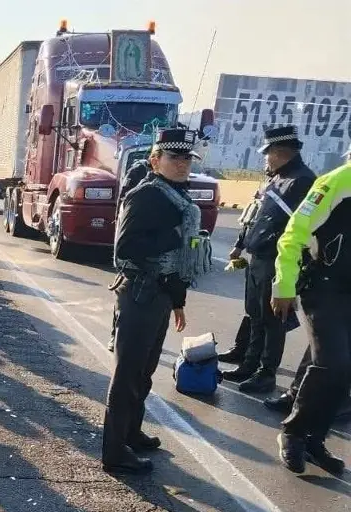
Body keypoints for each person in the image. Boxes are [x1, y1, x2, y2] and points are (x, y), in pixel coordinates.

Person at [103, 128, 208, 475]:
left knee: (144, 373)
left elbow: (179, 259)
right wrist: (174, 233)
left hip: (160, 296)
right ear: (155, 160)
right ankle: (115, 451)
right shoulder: (146, 195)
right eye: (173, 157)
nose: (181, 164)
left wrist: (178, 300)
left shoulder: (176, 195)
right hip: (139, 293)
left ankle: (131, 433)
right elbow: (124, 250)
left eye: (186, 159)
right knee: (127, 375)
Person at [270, 145, 351, 477]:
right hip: (323, 285)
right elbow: (293, 235)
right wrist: (283, 285)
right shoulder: (336, 182)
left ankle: (315, 440)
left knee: (344, 370)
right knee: (333, 361)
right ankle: (293, 431)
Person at [223, 126, 316, 394]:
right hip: (259, 256)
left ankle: (266, 373)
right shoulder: (278, 178)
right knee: (255, 313)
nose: (265, 160)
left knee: (272, 320)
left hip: (279, 259)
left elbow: (301, 227)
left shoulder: (302, 181)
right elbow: (257, 215)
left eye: (268, 154)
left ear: (278, 153)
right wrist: (241, 244)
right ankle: (249, 364)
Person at [107, 156, 154, 352]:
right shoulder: (139, 171)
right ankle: (115, 334)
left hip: (156, 246)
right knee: (124, 294)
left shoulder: (176, 181)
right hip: (133, 242)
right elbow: (124, 205)